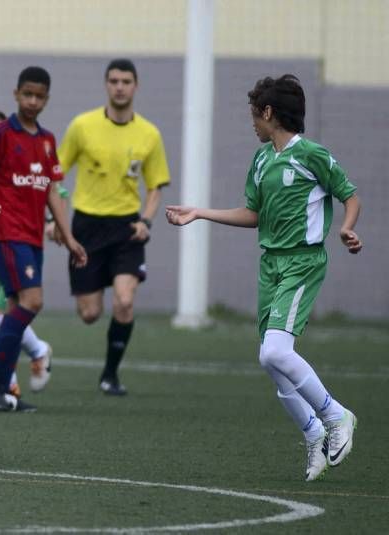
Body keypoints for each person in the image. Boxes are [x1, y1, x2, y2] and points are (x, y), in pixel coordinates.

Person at [166, 74, 361, 482]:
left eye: (254, 114)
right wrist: (200, 212)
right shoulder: (261, 160)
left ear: (268, 113)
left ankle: (336, 416)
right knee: (270, 360)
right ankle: (312, 434)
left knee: (275, 353)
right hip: (270, 265)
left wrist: (346, 227)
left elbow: (350, 194)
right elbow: (253, 215)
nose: (252, 123)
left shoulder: (312, 155)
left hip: (302, 263)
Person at [0, 66, 87, 412]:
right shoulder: (1, 133)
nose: (32, 101)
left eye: (39, 96)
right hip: (7, 233)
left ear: (47, 99)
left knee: (15, 309)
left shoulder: (46, 141)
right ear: (16, 94)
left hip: (33, 238)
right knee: (33, 301)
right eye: (27, 94)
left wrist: (69, 236)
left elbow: (50, 192)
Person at [57, 58, 170, 396]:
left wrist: (146, 221)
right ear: (106, 85)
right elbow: (55, 176)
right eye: (114, 81)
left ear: (135, 86)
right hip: (86, 228)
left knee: (124, 301)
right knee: (90, 313)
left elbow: (155, 186)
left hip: (126, 228)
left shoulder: (149, 134)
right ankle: (94, 296)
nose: (120, 87)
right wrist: (55, 220)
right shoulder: (82, 126)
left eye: (126, 81)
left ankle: (110, 374)